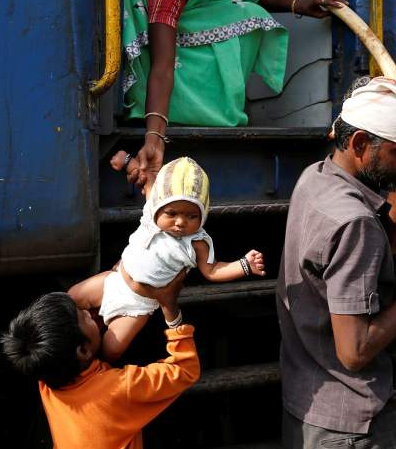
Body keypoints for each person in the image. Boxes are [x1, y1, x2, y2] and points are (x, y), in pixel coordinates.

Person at [276, 76, 396, 449]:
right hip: (354, 438)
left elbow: (372, 252)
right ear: (358, 145)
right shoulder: (353, 223)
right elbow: (354, 352)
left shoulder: (315, 180)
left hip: (309, 417)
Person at [122, 0, 346, 192]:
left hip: (181, 55)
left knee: (248, 10)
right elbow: (163, 66)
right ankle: (181, 111)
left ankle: (217, 110)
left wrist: (301, 5)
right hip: (159, 64)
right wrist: (154, 140)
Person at [0, 287, 199, 449]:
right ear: (83, 351)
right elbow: (185, 369)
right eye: (84, 317)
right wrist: (172, 313)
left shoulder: (47, 382)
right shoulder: (119, 389)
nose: (89, 312)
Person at [70, 155, 265, 362]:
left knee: (112, 349)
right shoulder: (150, 214)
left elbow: (213, 270)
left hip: (138, 305)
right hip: (114, 281)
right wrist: (127, 161)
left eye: (192, 216)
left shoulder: (197, 242)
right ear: (159, 206)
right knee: (71, 297)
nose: (181, 222)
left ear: (203, 214)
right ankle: (61, 345)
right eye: (171, 213)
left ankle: (87, 366)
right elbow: (147, 179)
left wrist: (244, 265)